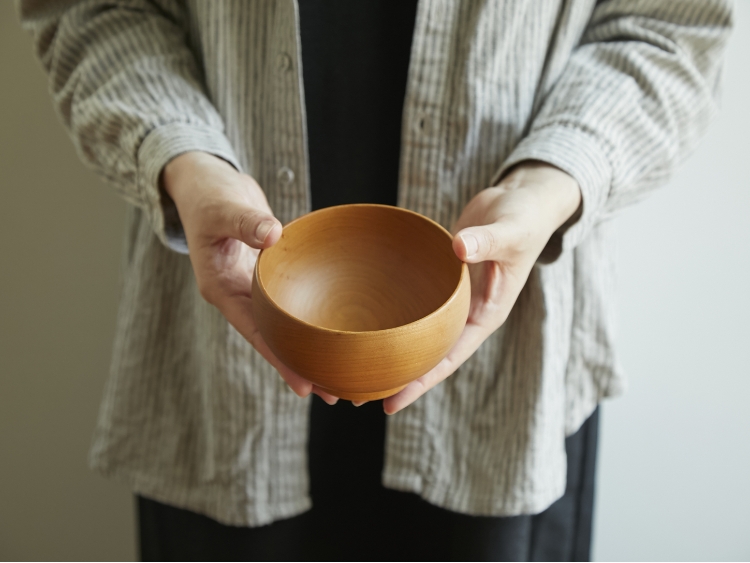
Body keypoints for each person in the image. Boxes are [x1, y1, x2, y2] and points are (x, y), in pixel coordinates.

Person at [19, 0, 731, 560]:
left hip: (505, 370)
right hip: (222, 367)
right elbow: (92, 8)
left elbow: (669, 24)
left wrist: (551, 179)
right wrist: (182, 157)